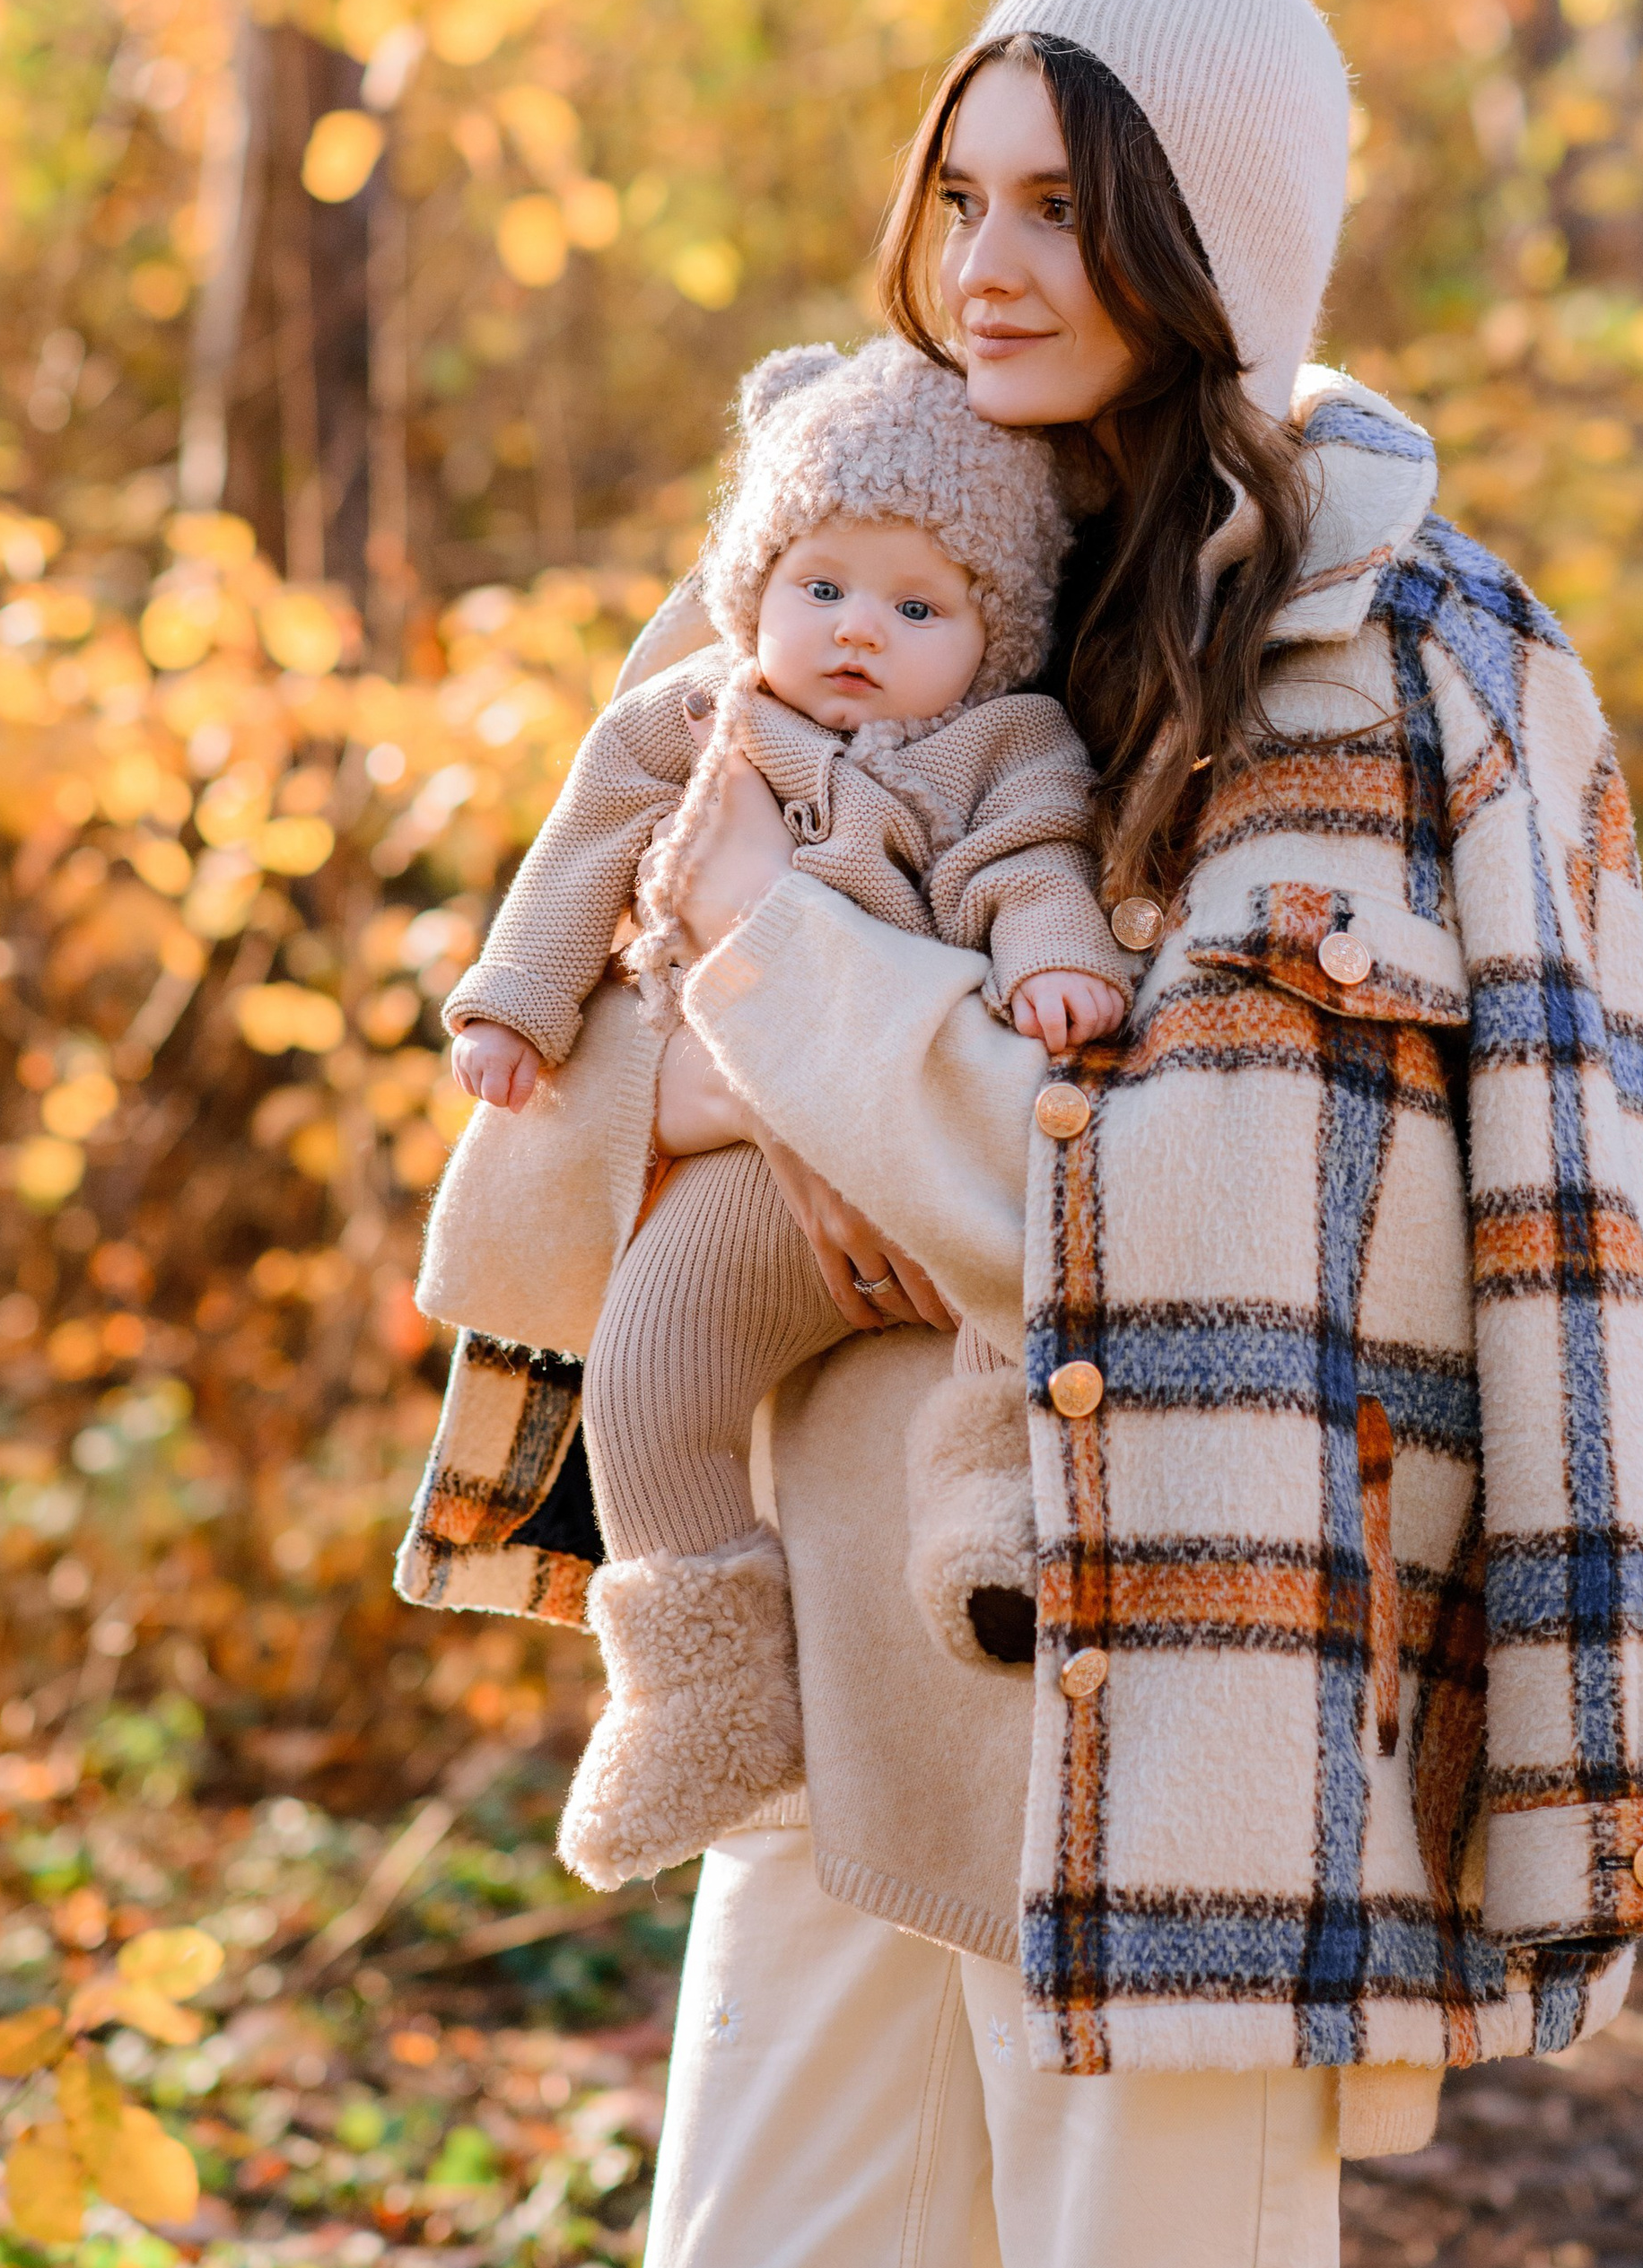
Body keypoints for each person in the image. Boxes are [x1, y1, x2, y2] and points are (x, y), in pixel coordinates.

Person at [402, 0, 1643, 2268]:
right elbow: (577, 1115)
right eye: (961, 196)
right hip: (828, 1671)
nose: (986, 268)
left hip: (1186, 1703)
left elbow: (1161, 1212)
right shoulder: (857, 544)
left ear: (1209, 239)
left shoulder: (1383, 656)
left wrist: (776, 995)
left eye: (1061, 206)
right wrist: (756, 1075)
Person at [437, 335, 1133, 1890]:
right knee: (646, 1371)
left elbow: (1036, 866)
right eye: (821, 586)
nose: (857, 634)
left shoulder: (1005, 745)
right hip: (758, 1163)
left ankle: (995, 1533)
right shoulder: (696, 719)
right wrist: (512, 1002)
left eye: (916, 606)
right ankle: (699, 1691)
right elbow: (580, 852)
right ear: (757, 583)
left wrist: (1057, 965)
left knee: (1014, 1301)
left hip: (916, 1127)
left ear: (994, 633)